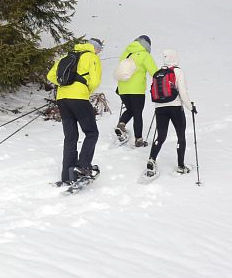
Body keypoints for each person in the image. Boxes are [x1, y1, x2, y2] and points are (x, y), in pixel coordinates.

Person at [47, 38, 103, 185]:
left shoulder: (66, 56)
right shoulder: (92, 57)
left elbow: (51, 76)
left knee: (70, 137)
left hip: (62, 98)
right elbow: (96, 81)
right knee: (92, 133)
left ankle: (67, 174)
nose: (100, 52)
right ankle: (83, 167)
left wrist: (66, 84)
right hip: (79, 98)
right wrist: (85, 90)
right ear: (95, 48)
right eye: (100, 49)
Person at [145, 49, 196, 177]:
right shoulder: (177, 71)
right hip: (175, 107)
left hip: (160, 108)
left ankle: (152, 159)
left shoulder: (158, 73)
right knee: (180, 135)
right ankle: (180, 166)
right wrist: (190, 107)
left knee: (161, 136)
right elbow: (183, 92)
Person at [114, 35, 158, 147]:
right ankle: (139, 139)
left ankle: (121, 124)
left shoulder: (126, 53)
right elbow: (155, 73)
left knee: (130, 109)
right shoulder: (144, 55)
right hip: (137, 90)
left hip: (123, 89)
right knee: (137, 113)